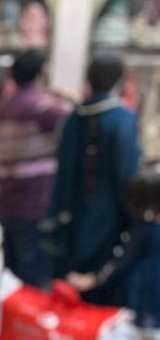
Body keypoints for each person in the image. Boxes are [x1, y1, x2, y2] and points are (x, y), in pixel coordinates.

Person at [42, 52, 141, 299]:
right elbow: (128, 174)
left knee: (71, 287)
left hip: (71, 213)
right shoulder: (122, 119)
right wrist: (134, 218)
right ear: (120, 80)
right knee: (101, 288)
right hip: (109, 219)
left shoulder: (73, 118)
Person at [68, 165, 160, 340]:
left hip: (142, 287)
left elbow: (122, 261)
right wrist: (96, 278)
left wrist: (97, 278)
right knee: (145, 333)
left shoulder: (141, 230)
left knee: (141, 332)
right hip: (148, 289)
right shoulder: (144, 230)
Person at [0, 49, 69, 288]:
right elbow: (76, 119)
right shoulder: (42, 107)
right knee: (33, 276)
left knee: (11, 274)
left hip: (6, 201)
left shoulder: (2, 108)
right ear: (41, 72)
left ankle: (10, 319)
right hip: (34, 202)